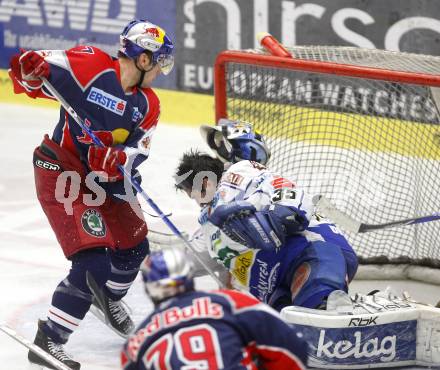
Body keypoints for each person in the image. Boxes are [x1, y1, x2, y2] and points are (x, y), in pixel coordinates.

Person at [8, 19, 174, 369]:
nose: (161, 70)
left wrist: (120, 159)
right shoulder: (89, 64)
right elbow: (31, 70)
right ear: (143, 59)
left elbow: (138, 151)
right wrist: (29, 69)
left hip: (105, 182)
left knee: (135, 247)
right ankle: (48, 340)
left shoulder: (148, 104)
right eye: (159, 61)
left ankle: (108, 298)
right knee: (93, 263)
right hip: (64, 171)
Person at [174, 119, 358, 311]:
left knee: (315, 293)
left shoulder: (241, 172)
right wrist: (148, 250)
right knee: (283, 316)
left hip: (314, 252)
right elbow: (187, 260)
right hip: (277, 283)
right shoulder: (209, 225)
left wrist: (282, 214)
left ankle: (328, 304)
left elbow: (284, 189)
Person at [121, 246, 308, 370]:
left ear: (148, 287)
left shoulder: (134, 344)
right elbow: (293, 347)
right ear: (188, 276)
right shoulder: (231, 303)